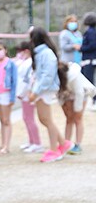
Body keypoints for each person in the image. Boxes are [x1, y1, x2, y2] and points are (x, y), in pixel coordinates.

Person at [29, 28, 72, 163]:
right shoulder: (43, 53)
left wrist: (35, 91)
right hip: (43, 89)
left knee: (47, 120)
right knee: (44, 119)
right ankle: (62, 143)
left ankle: (54, 150)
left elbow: (47, 76)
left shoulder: (46, 53)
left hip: (44, 90)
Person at [13, 41, 43, 153]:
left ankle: (37, 143)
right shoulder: (24, 62)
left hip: (27, 94)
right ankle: (31, 141)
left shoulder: (29, 63)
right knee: (26, 118)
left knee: (29, 118)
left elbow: (28, 80)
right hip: (24, 94)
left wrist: (22, 93)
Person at [61, 61, 96, 154]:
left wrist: (77, 110)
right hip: (67, 92)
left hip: (82, 92)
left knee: (78, 118)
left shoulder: (73, 76)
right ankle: (66, 143)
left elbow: (80, 93)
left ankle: (78, 144)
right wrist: (63, 105)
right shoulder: (57, 77)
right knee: (69, 119)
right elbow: (58, 93)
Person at [81, 12, 96, 97]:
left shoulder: (90, 32)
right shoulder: (92, 31)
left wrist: (81, 48)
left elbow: (92, 45)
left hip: (89, 60)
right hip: (89, 60)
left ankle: (93, 99)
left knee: (89, 81)